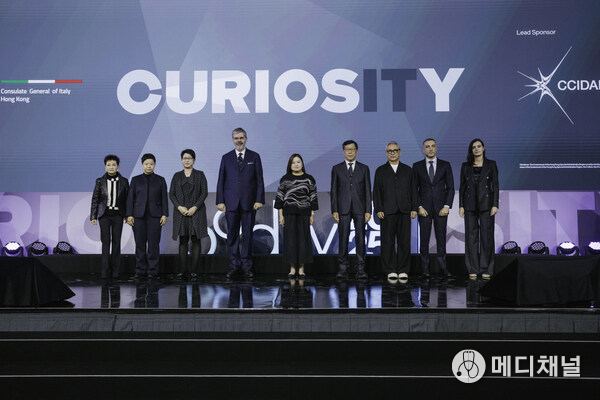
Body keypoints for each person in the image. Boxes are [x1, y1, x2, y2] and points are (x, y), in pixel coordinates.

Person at [216, 127, 265, 279]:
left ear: (246, 139)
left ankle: (246, 267)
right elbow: (221, 180)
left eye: (241, 138)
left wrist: (259, 199)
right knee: (232, 236)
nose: (239, 141)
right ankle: (234, 266)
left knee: (248, 236)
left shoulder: (254, 156)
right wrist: (220, 200)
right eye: (236, 138)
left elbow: (259, 180)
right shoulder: (226, 158)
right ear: (233, 140)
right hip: (230, 203)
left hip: (249, 203)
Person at [373, 141, 417, 280]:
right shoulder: (380, 170)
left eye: (395, 150)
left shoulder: (408, 170)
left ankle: (403, 269)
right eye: (389, 151)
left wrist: (414, 208)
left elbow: (413, 190)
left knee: (404, 241)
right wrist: (378, 208)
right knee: (388, 242)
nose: (392, 153)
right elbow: (377, 191)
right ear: (386, 153)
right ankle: (390, 269)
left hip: (404, 210)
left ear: (400, 152)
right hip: (387, 211)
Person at [413, 138, 455, 277]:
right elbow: (414, 189)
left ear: (436, 148)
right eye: (427, 146)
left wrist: (447, 206)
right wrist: (418, 206)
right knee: (424, 239)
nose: (430, 149)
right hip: (423, 209)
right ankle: (424, 269)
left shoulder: (445, 165)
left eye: (433, 146)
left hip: (441, 209)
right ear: (423, 149)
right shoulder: (417, 166)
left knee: (441, 239)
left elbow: (450, 187)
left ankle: (443, 267)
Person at [330, 140, 371, 280]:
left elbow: (367, 190)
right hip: (343, 208)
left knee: (360, 239)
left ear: (357, 151)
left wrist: (368, 210)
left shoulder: (364, 168)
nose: (350, 152)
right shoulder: (337, 168)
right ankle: (343, 269)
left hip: (360, 208)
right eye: (347, 149)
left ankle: (361, 269)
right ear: (343, 151)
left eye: (352, 149)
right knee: (343, 239)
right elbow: (334, 190)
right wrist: (334, 210)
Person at [459, 138, 499, 280]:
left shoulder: (491, 164)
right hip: (469, 205)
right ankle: (473, 268)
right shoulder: (465, 166)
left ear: (483, 148)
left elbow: (495, 185)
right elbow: (462, 187)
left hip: (487, 204)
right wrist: (461, 205)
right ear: (471, 150)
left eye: (479, 146)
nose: (476, 149)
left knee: (487, 237)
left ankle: (486, 268)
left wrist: (495, 204)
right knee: (471, 237)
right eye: (473, 147)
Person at [275, 154, 318, 278]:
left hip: (304, 213)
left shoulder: (309, 179)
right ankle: (292, 268)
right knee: (290, 241)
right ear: (290, 165)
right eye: (293, 162)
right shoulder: (285, 179)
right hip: (289, 214)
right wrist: (281, 215)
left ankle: (301, 268)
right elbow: (280, 198)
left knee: (304, 241)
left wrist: (312, 214)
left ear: (302, 164)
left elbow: (313, 197)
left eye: (298, 162)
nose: (296, 164)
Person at [126, 153, 168, 280]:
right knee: (140, 244)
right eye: (146, 164)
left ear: (154, 165)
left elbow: (164, 199)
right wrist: (129, 215)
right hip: (138, 216)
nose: (149, 166)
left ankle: (153, 271)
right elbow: (130, 199)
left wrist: (164, 214)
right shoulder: (135, 180)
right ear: (142, 165)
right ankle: (140, 271)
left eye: (151, 164)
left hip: (155, 216)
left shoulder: (160, 180)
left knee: (154, 244)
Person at [169, 149, 208, 280]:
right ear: (181, 160)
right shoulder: (176, 176)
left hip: (197, 212)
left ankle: (194, 271)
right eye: (184, 158)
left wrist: (195, 207)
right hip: (181, 213)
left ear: (194, 160)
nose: (187, 160)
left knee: (196, 241)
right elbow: (171, 194)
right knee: (183, 241)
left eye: (189, 158)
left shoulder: (200, 175)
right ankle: (183, 270)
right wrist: (179, 207)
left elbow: (204, 193)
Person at [90, 155, 129, 279]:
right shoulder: (99, 181)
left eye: (114, 165)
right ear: (105, 166)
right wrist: (93, 216)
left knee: (117, 242)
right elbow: (95, 199)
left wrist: (128, 216)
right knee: (105, 242)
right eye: (108, 165)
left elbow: (127, 200)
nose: (111, 167)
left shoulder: (124, 181)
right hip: (104, 215)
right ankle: (105, 271)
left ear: (118, 166)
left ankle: (115, 271)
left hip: (118, 215)